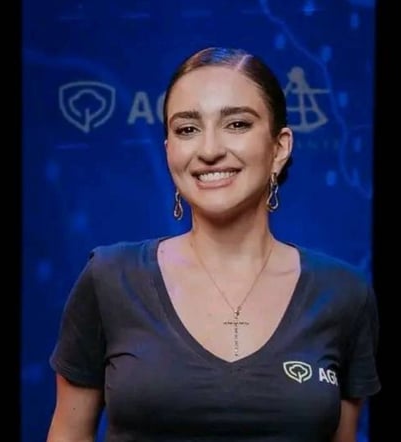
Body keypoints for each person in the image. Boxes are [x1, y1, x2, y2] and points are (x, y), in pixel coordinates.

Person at [46, 46, 381, 441]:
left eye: (236, 124)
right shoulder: (110, 279)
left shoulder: (343, 294)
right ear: (169, 151)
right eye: (187, 129)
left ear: (279, 148)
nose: (209, 150)